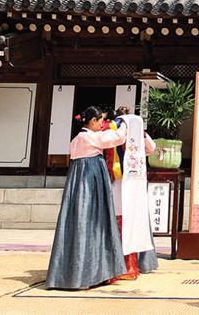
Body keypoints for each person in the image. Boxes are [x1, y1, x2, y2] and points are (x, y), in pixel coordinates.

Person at [46, 106, 128, 289]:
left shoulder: (77, 138)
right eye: (100, 121)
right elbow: (117, 137)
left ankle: (74, 272)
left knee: (78, 221)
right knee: (92, 221)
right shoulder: (90, 137)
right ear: (93, 121)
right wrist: (125, 122)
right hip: (91, 181)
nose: (102, 124)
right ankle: (89, 273)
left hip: (78, 182)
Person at [103, 108, 158, 281]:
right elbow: (151, 148)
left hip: (117, 179)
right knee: (132, 221)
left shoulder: (112, 129)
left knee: (117, 220)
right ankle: (131, 265)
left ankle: (116, 266)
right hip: (135, 181)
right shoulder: (140, 133)